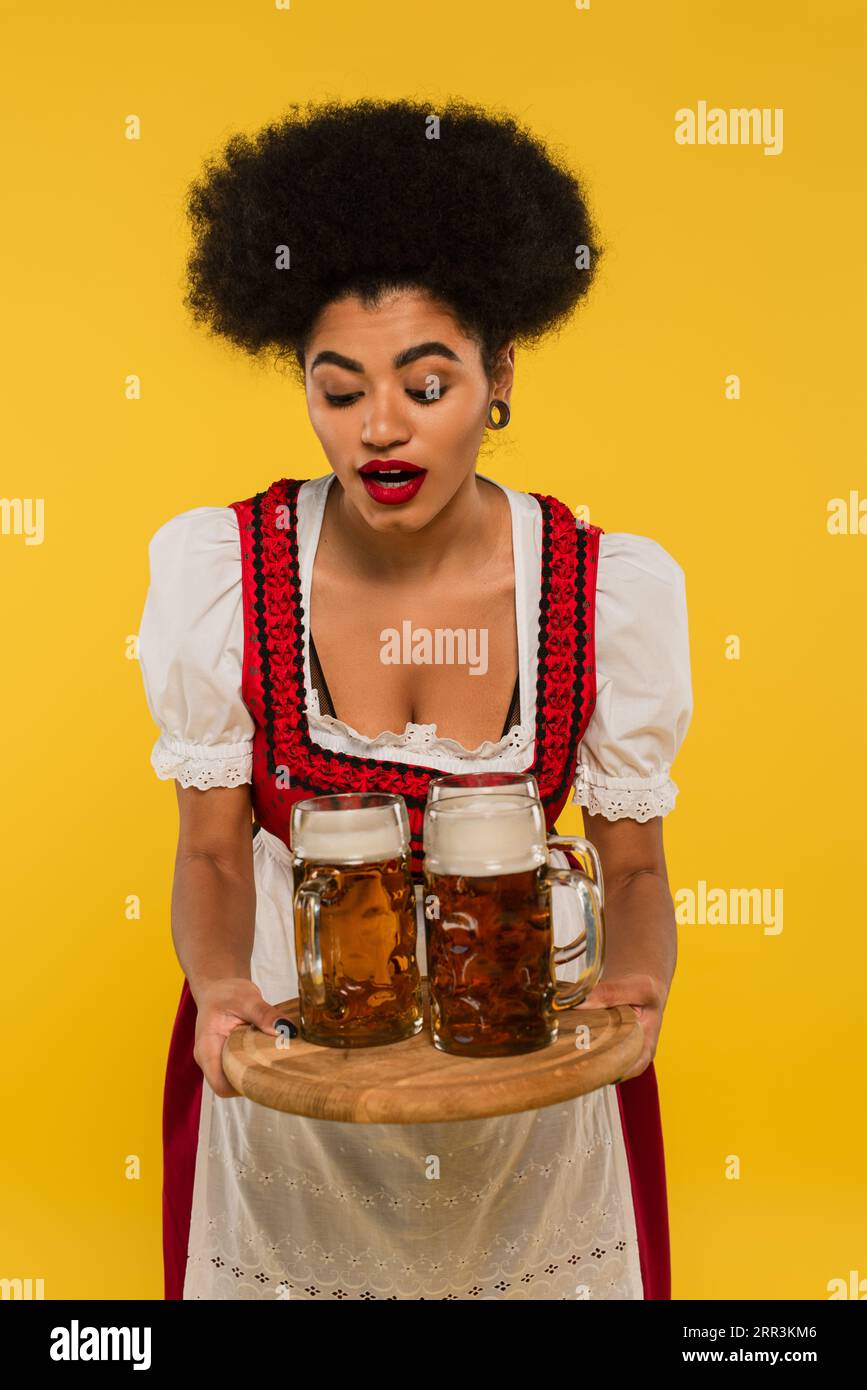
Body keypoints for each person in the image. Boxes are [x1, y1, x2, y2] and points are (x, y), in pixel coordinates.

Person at [138, 97, 693, 1300]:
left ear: (499, 375)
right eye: (340, 391)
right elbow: (215, 854)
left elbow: (634, 870)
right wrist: (216, 981)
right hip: (293, 1084)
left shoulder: (607, 590)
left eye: (425, 384)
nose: (380, 428)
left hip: (525, 1110)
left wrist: (637, 982)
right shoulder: (219, 570)